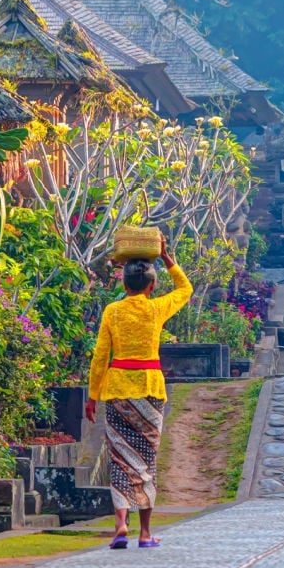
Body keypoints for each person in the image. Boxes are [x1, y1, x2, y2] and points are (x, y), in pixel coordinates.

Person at [84, 234, 193, 550]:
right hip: (149, 390)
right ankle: (145, 533)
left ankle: (120, 524)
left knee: (119, 458)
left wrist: (93, 396)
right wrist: (168, 258)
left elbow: (100, 355)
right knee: (145, 459)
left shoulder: (112, 312)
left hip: (118, 390)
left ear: (125, 285)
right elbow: (185, 289)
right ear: (151, 287)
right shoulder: (156, 309)